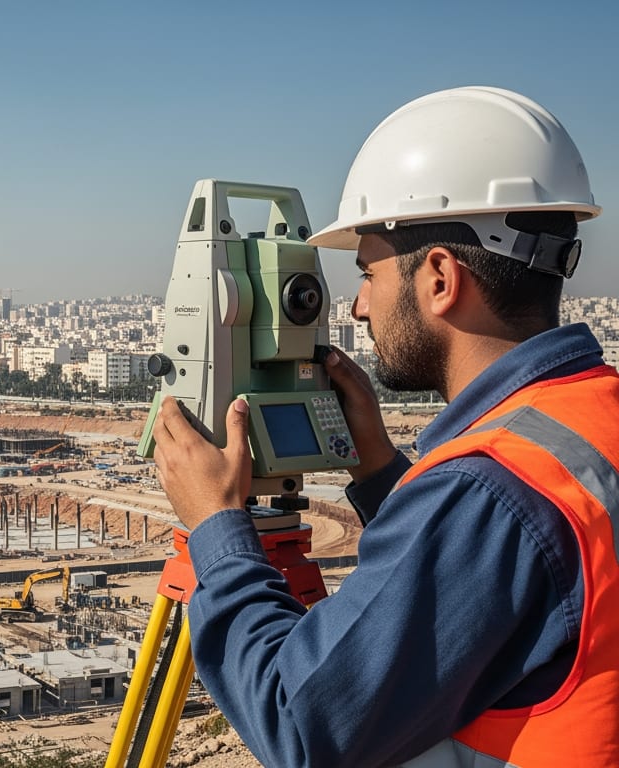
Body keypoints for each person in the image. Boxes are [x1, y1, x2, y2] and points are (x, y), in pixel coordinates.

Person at [150, 86, 619, 766]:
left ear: (438, 278)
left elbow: (300, 725)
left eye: (367, 271)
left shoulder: (485, 492)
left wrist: (218, 529)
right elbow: (511, 591)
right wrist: (380, 472)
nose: (360, 306)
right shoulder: (587, 420)